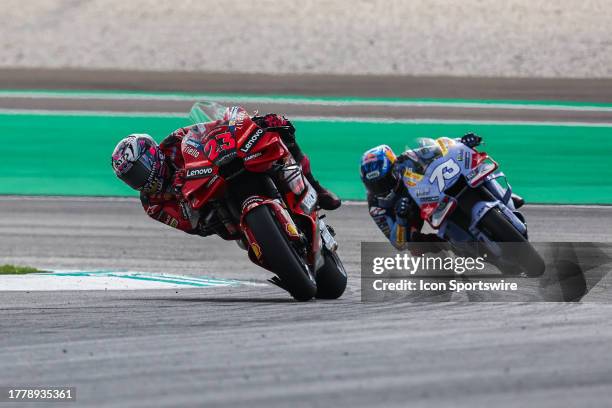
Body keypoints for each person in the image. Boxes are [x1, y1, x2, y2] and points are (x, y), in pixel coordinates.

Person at [111, 111, 341, 238]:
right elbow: (189, 225)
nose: (138, 181)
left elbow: (212, 129)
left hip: (218, 171)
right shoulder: (152, 203)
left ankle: (315, 188)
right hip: (214, 213)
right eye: (131, 178)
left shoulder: (173, 142)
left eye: (138, 171)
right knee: (221, 228)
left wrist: (250, 122)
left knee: (279, 135)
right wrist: (185, 199)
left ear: (153, 155)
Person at [360, 133, 524, 250]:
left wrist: (462, 142)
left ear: (393, 169)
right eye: (373, 185)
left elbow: (439, 148)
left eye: (384, 181)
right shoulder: (376, 206)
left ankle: (500, 194)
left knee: (472, 169)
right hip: (411, 215)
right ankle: (452, 249)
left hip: (429, 193)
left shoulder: (408, 159)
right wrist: (402, 219)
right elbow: (398, 243)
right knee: (416, 245)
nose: (381, 189)